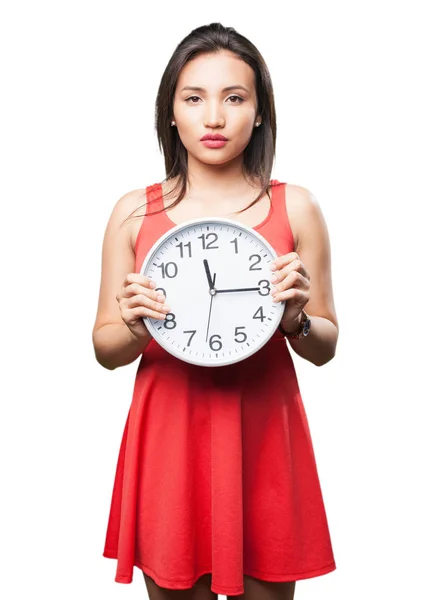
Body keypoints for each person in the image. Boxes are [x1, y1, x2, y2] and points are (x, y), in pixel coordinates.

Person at [92, 22, 339, 600]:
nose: (214, 117)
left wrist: (295, 319)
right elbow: (104, 348)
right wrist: (131, 323)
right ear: (170, 112)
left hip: (263, 435)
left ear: (258, 113)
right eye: (194, 97)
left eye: (235, 97)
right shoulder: (134, 213)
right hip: (170, 434)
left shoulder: (295, 207)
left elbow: (325, 344)